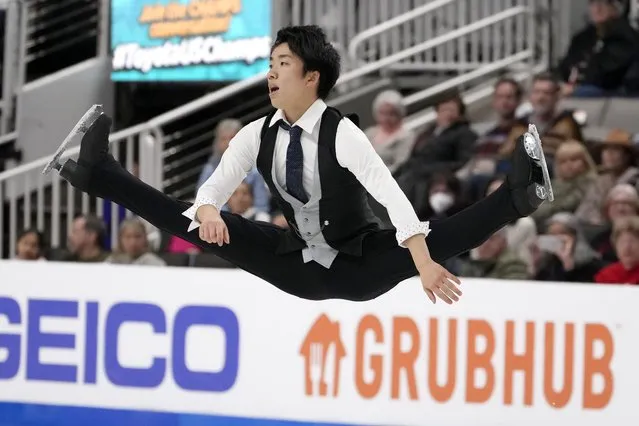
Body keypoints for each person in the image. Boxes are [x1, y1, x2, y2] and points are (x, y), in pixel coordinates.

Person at [45, 25, 553, 304]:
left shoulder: (342, 131)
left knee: (437, 237)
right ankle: (98, 173)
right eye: (270, 65)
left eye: (281, 64)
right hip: (296, 264)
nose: (271, 73)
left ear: (311, 77)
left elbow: (390, 194)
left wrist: (420, 263)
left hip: (359, 265)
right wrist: (207, 210)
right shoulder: (254, 133)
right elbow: (216, 185)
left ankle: (519, 193)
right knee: (187, 217)